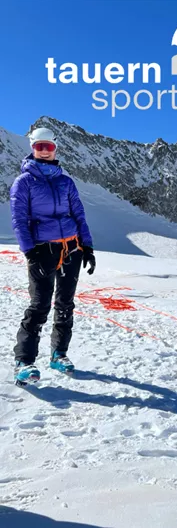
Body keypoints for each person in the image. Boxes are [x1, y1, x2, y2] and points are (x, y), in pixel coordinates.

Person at [10, 127, 96, 385]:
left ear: (56, 148)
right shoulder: (23, 182)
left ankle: (59, 354)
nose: (45, 151)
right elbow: (18, 219)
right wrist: (29, 252)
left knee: (65, 304)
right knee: (40, 305)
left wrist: (87, 247)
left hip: (71, 248)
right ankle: (24, 361)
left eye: (49, 147)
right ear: (32, 148)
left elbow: (79, 215)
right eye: (40, 147)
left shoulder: (65, 182)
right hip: (42, 250)